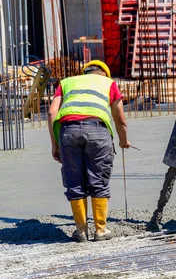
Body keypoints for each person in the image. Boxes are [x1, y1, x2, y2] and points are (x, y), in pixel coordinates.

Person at [48, 60, 130, 242]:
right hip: (97, 131)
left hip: (68, 131)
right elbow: (120, 119)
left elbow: (52, 113)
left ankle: (81, 231)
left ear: (85, 72)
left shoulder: (67, 82)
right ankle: (100, 230)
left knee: (74, 181)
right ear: (104, 73)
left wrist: (55, 144)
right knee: (98, 179)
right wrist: (123, 141)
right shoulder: (109, 84)